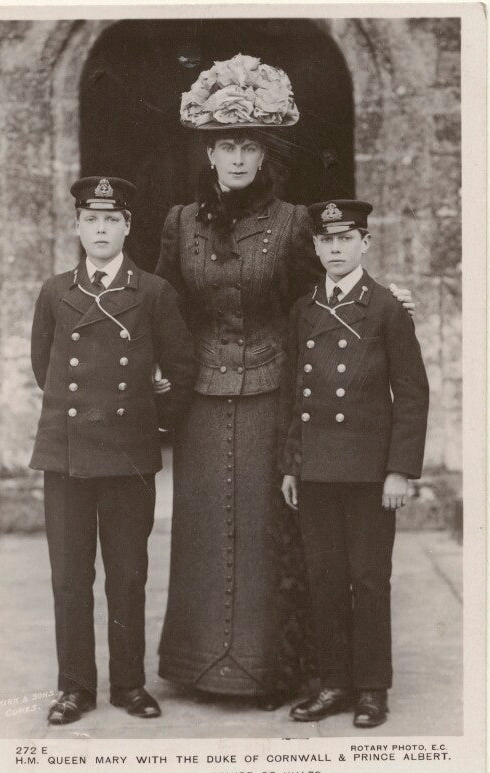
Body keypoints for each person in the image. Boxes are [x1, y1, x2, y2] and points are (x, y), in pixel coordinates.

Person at [155, 55, 415, 709]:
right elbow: (163, 309)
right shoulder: (179, 222)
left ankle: (280, 666)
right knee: (204, 529)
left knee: (274, 534)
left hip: (274, 394)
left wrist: (391, 300)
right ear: (209, 152)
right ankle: (197, 664)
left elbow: (321, 304)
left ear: (264, 153)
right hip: (202, 407)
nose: (236, 158)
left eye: (248, 145)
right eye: (225, 145)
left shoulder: (296, 223)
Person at [29, 176, 196, 724]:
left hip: (128, 455)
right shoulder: (56, 292)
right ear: (78, 227)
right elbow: (42, 366)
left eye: (111, 220)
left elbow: (181, 371)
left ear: (127, 227)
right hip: (67, 454)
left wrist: (151, 426)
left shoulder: (152, 292)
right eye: (91, 220)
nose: (100, 229)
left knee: (127, 574)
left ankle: (129, 685)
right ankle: (74, 688)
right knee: (69, 577)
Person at [280, 199, 429, 727]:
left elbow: (411, 393)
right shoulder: (304, 310)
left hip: (369, 472)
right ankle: (334, 684)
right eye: (327, 240)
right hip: (317, 469)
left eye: (347, 239)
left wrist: (400, 470)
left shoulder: (387, 307)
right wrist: (292, 464)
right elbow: (295, 395)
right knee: (324, 578)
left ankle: (371, 688)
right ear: (316, 247)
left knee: (368, 579)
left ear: (366, 243)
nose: (337, 248)